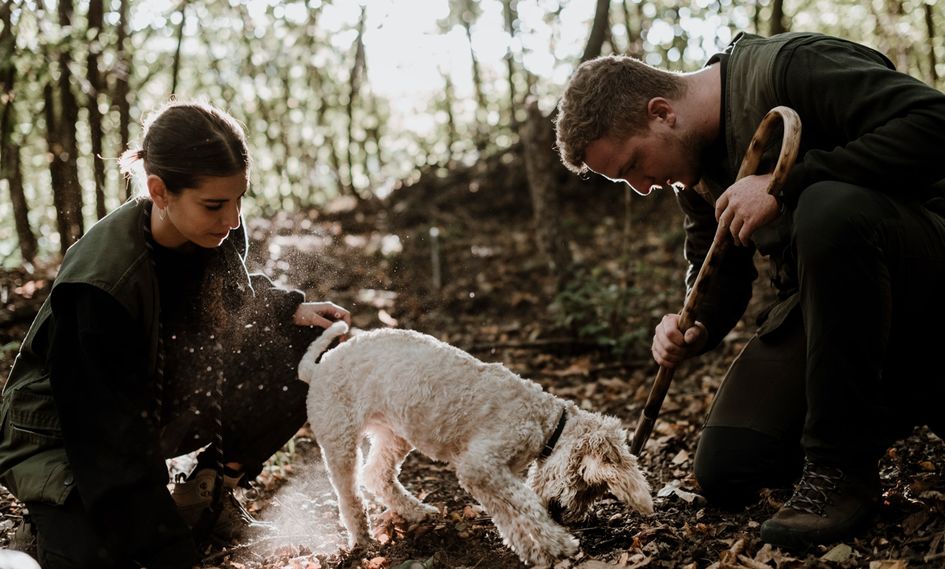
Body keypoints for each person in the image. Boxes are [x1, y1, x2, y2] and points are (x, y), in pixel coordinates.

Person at [554, 32, 945, 549]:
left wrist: (786, 186)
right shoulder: (693, 169)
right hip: (838, 312)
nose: (643, 187)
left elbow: (934, 122)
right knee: (730, 466)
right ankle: (915, 381)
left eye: (632, 166)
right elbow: (717, 265)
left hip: (927, 261)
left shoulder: (793, 68)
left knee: (828, 208)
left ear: (661, 113)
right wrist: (695, 324)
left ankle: (841, 469)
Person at [0, 100, 351, 568]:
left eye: (239, 199)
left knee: (310, 346)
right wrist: (175, 555)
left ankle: (206, 495)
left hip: (150, 407)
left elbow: (229, 298)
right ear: (159, 191)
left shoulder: (211, 229)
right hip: (67, 438)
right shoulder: (99, 290)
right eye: (215, 205)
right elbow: (107, 447)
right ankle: (50, 523)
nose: (232, 219)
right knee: (103, 554)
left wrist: (289, 310)